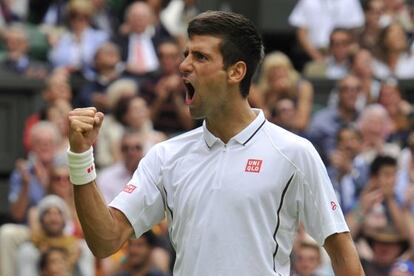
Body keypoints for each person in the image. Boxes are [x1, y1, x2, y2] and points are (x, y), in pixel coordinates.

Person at [67, 11, 363, 276]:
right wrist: (80, 156)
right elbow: (105, 239)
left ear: (236, 72)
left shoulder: (293, 153)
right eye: (186, 54)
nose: (183, 65)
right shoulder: (165, 155)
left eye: (200, 57)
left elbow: (341, 250)